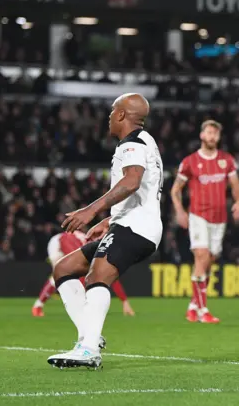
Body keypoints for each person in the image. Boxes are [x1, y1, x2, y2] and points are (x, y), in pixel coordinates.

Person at [46, 93, 162, 369]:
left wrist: (91, 210)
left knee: (98, 275)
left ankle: (87, 349)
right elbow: (144, 190)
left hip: (137, 227)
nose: (109, 117)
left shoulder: (132, 144)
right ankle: (88, 338)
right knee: (64, 268)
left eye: (112, 111)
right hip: (130, 223)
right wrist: (109, 220)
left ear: (122, 115)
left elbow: (132, 182)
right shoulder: (145, 142)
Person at [171, 120, 239, 324]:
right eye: (209, 132)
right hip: (198, 215)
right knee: (201, 256)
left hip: (219, 219)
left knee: (208, 261)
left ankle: (193, 306)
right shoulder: (190, 162)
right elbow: (175, 190)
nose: (212, 136)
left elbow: (235, 185)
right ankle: (204, 311)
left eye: (215, 133)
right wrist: (180, 211)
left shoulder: (226, 160)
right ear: (202, 135)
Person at [33, 231, 135, 317]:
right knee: (60, 273)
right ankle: (38, 306)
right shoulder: (91, 252)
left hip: (74, 243)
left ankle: (40, 305)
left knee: (69, 275)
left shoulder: (101, 253)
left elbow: (112, 278)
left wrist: (124, 301)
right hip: (58, 242)